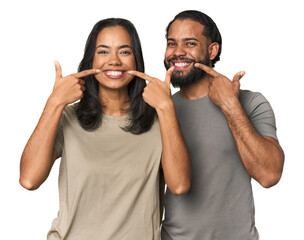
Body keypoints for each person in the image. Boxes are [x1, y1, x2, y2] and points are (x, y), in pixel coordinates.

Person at [19, 18, 191, 240]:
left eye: (124, 52)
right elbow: (29, 179)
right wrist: (54, 103)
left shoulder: (160, 120)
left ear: (136, 60)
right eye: (103, 51)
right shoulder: (67, 118)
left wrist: (166, 108)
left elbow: (179, 185)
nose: (114, 61)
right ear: (91, 60)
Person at [130, 10, 285, 240]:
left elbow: (269, 175)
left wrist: (231, 105)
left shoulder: (251, 103)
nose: (178, 52)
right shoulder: (159, 110)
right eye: (171, 43)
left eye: (189, 43)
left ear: (212, 50)